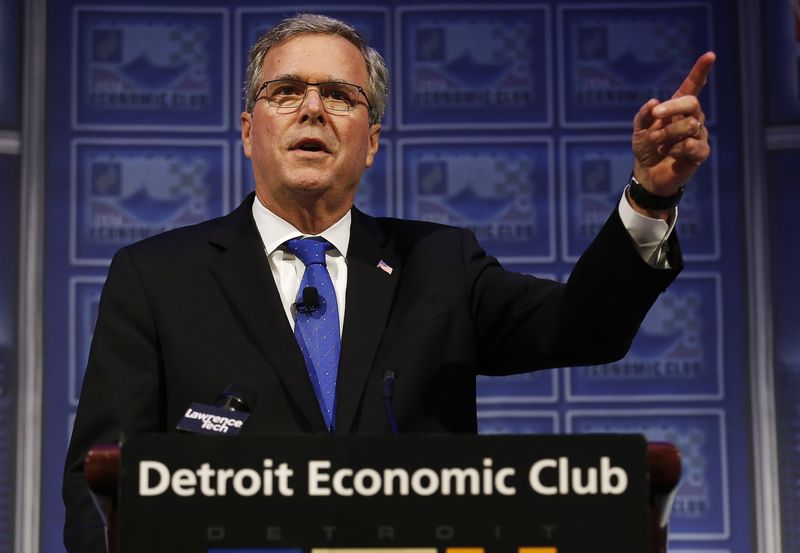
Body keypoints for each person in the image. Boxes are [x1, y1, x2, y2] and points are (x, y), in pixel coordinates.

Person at [62, 13, 714, 552]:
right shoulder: (156, 277)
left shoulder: (439, 264)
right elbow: (100, 485)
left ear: (371, 141)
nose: (312, 109)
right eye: (286, 91)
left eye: (341, 96)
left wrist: (650, 198)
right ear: (246, 131)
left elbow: (585, 327)